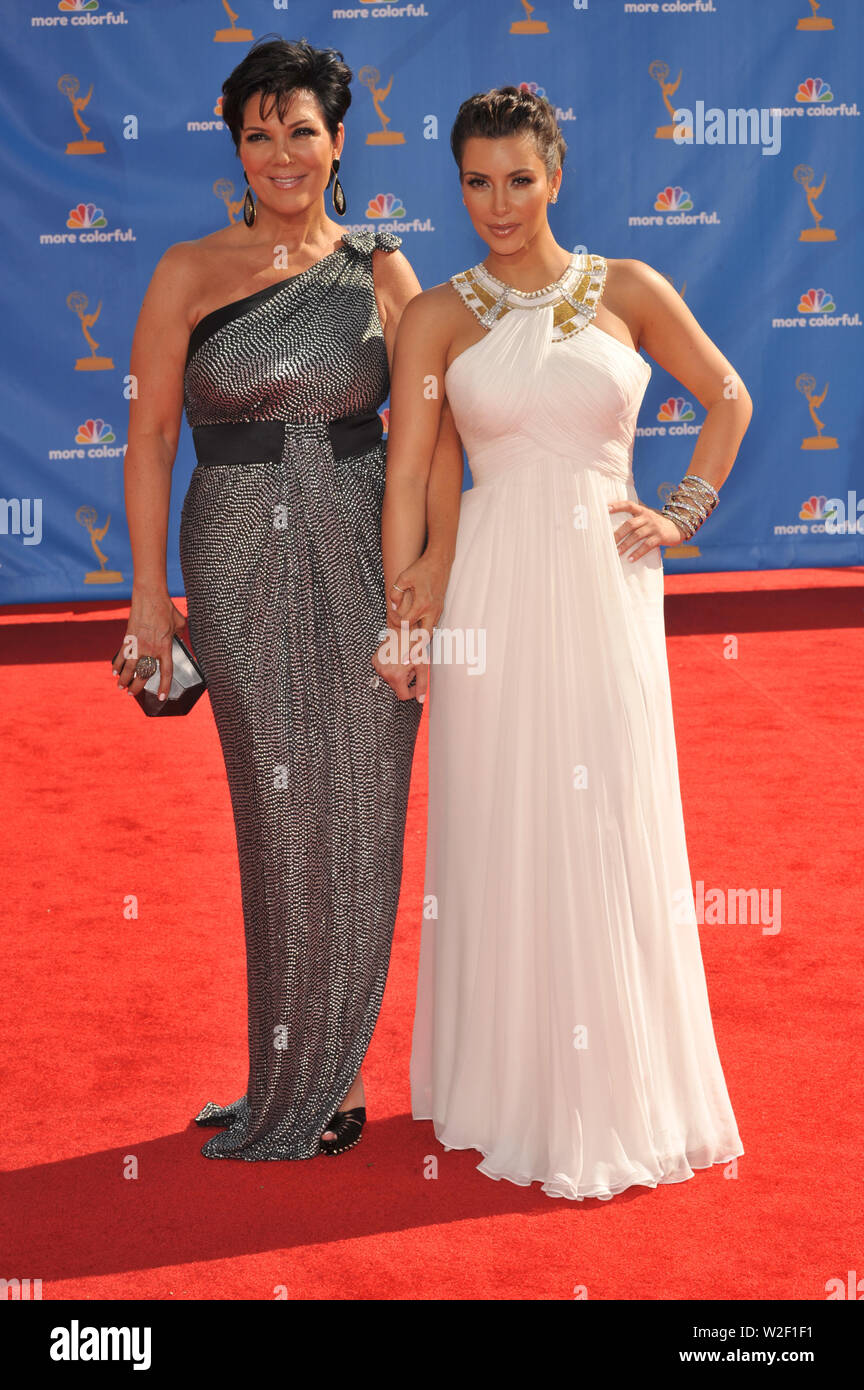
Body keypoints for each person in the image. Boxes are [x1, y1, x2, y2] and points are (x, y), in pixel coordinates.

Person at [375, 86, 751, 1201]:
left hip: (604, 585)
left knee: (608, 814)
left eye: (520, 179)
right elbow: (409, 474)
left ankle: (618, 1089)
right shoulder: (438, 314)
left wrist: (682, 510)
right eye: (478, 182)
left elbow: (727, 396)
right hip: (490, 588)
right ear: (459, 185)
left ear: (557, 174)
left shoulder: (630, 289)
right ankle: (505, 1085)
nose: (500, 202)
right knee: (505, 817)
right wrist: (405, 616)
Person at [112, 37, 459, 1160]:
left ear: (338, 140)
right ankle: (280, 1065)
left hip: (362, 544)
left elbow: (433, 431)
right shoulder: (187, 270)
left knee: (360, 804)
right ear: (237, 146)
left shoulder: (382, 269)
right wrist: (147, 599)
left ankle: (338, 1073)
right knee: (277, 818)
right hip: (235, 551)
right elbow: (153, 436)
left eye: (299, 130)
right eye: (257, 134)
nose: (279, 154)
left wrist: (421, 581)